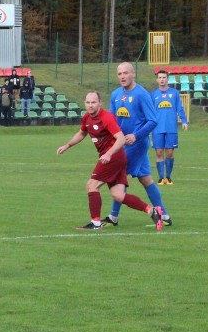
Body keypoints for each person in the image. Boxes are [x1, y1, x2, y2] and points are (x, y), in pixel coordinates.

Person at [57, 91, 162, 231]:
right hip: (115, 158)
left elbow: (121, 138)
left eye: (93, 102)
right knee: (118, 195)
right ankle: (152, 211)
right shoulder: (87, 117)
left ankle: (95, 224)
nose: (90, 105)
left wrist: (109, 153)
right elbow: (82, 132)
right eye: (88, 102)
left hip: (114, 157)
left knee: (91, 185)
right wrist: (67, 145)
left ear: (100, 103)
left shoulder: (107, 118)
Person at [102, 62, 171, 227]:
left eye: (126, 73)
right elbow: (111, 120)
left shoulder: (141, 94)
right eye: (119, 74)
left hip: (137, 144)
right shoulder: (115, 94)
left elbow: (153, 120)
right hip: (122, 144)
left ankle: (113, 216)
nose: (122, 76)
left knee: (119, 176)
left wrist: (136, 135)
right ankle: (165, 216)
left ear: (133, 74)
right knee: (146, 179)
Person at [151, 70, 188, 185]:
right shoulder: (153, 94)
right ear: (157, 79)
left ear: (167, 79)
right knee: (159, 152)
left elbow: (179, 108)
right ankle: (161, 178)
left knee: (170, 152)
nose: (162, 79)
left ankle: (168, 177)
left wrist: (184, 120)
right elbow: (149, 111)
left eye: (164, 77)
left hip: (171, 127)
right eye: (160, 77)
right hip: (157, 128)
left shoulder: (174, 93)